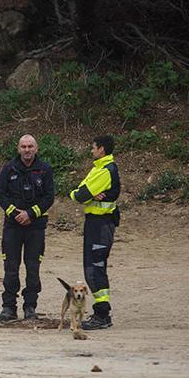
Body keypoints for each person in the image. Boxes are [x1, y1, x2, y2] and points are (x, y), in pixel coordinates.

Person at [0, 135, 55, 322]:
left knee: (33, 268)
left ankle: (30, 307)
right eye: (23, 146)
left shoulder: (44, 170)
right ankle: (8, 308)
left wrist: (31, 213)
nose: (27, 150)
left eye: (30, 146)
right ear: (18, 148)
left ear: (36, 149)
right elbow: (1, 195)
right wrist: (15, 214)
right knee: (11, 268)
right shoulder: (8, 169)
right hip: (12, 227)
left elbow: (49, 196)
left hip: (35, 228)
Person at [69, 135, 120, 330]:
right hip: (94, 223)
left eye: (93, 148)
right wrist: (83, 194)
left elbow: (80, 195)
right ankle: (101, 313)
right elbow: (78, 193)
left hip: (101, 225)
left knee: (95, 270)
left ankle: (102, 315)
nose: (91, 150)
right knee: (92, 268)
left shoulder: (106, 170)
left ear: (102, 149)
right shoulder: (98, 168)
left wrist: (83, 195)